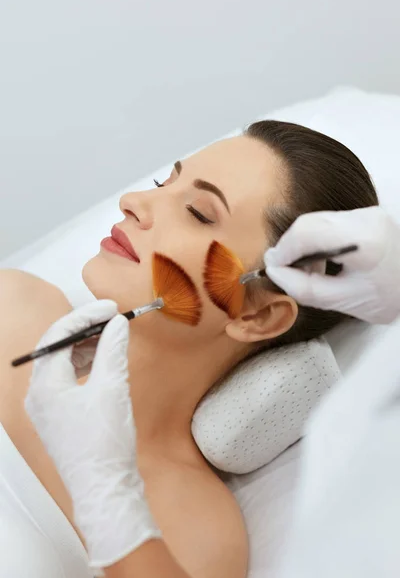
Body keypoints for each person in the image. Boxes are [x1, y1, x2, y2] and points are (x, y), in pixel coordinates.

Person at [0, 121, 379, 577]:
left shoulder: (194, 531)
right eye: (164, 182)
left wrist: (104, 494)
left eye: (199, 212)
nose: (133, 202)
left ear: (257, 316)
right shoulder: (15, 306)